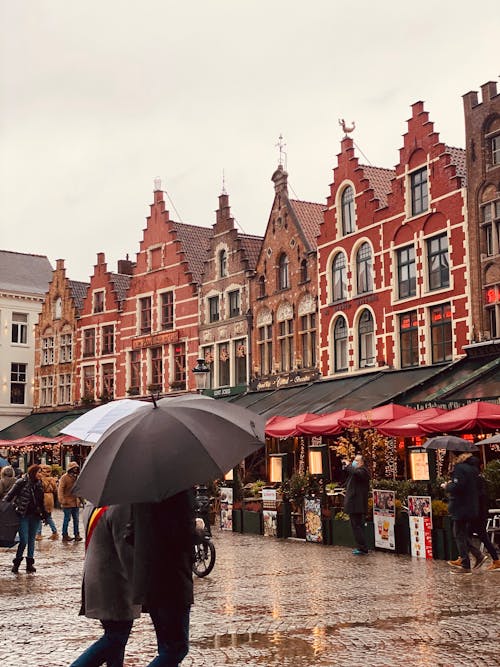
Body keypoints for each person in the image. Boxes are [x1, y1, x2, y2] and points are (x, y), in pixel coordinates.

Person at [70, 504, 141, 667]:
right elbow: (126, 552)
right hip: (115, 583)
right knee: (116, 638)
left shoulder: (91, 505)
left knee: (114, 637)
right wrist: (142, 585)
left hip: (96, 577)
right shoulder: (121, 507)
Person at [132, 490, 196, 666]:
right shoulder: (180, 490)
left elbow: (129, 534)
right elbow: (183, 535)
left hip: (148, 578)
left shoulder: (140, 491)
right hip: (172, 580)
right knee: (177, 648)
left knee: (165, 646)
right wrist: (197, 531)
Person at [448, 456, 500, 572]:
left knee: (466, 535)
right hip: (477, 511)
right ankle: (476, 557)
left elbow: (476, 495)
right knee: (468, 535)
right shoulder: (477, 476)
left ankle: (473, 558)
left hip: (477, 512)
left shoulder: (475, 478)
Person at [4, 464, 47, 573]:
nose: (40, 474)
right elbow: (9, 496)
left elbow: (41, 501)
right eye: (39, 472)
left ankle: (30, 564)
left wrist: (45, 515)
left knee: (31, 540)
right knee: (24, 540)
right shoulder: (21, 482)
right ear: (33, 472)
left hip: (35, 515)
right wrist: (6, 510)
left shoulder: (39, 484)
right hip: (23, 514)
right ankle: (17, 562)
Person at [442, 452, 479, 575]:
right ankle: (477, 555)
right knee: (461, 533)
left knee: (458, 534)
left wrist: (447, 486)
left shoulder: (460, 468)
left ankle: (465, 564)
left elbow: (458, 487)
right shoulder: (473, 468)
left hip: (460, 507)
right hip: (471, 506)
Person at [343, 454, 371, 555]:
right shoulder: (357, 472)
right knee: (357, 526)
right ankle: (361, 546)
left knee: (357, 526)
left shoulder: (363, 471)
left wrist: (348, 465)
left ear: (361, 462)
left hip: (356, 504)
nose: (354, 462)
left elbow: (355, 472)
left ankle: (362, 547)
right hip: (355, 504)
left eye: (356, 460)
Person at [58, 461, 83, 542]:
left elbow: (79, 490)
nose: (75, 469)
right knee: (66, 519)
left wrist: (82, 500)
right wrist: (62, 500)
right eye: (74, 468)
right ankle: (64, 535)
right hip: (67, 502)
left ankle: (77, 534)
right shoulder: (64, 477)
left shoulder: (77, 477)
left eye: (76, 468)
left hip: (75, 502)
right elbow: (60, 489)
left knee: (76, 520)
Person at [36, 464, 59, 540]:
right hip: (50, 497)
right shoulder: (52, 479)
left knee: (40, 516)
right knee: (48, 516)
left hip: (43, 497)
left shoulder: (41, 479)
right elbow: (56, 490)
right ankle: (54, 532)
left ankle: (39, 533)